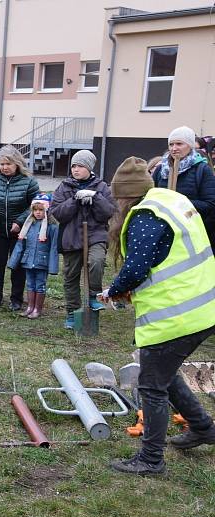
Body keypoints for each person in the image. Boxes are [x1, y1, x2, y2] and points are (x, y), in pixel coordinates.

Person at [101, 156, 215, 475]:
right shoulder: (170, 199)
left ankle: (151, 459)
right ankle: (203, 427)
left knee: (151, 385)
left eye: (118, 197)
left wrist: (114, 289)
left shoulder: (144, 217)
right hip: (203, 305)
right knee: (166, 372)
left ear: (126, 195)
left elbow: (137, 267)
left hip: (178, 314)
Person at [48, 150, 116, 329]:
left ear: (89, 168)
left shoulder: (101, 187)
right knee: (70, 277)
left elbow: (108, 212)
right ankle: (72, 313)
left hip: (95, 235)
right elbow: (57, 213)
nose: (76, 169)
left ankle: (94, 295)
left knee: (96, 261)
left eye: (80, 166)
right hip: (71, 237)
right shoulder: (64, 187)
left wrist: (96, 197)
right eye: (73, 166)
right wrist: (75, 200)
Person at [0, 145, 40, 311]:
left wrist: (20, 222)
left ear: (17, 164)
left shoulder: (28, 182)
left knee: (18, 267)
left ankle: (16, 299)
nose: (5, 167)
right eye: (1, 164)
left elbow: (35, 205)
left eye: (8, 164)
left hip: (20, 233)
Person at [152, 126, 215, 247]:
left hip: (191, 231)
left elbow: (210, 204)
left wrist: (180, 203)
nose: (174, 148)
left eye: (179, 144)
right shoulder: (161, 169)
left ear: (190, 145)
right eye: (171, 144)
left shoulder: (202, 169)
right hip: (162, 229)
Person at [7, 194, 59, 319]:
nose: (38, 213)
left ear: (47, 210)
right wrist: (13, 261)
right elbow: (20, 244)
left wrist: (52, 267)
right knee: (30, 283)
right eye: (35, 210)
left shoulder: (52, 227)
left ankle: (37, 308)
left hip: (42, 262)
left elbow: (54, 248)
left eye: (41, 210)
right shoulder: (28, 226)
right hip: (28, 260)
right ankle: (30, 307)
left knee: (40, 284)